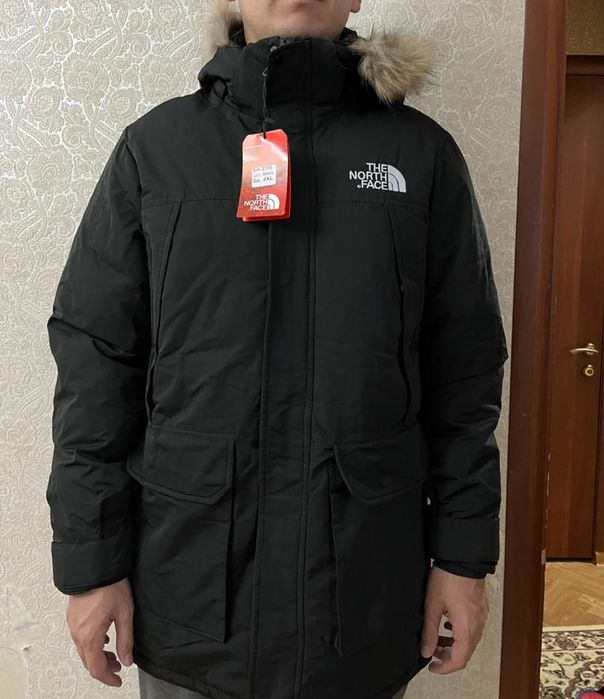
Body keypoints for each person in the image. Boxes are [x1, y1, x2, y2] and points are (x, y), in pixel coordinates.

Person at [45, 0, 509, 697]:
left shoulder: (420, 155)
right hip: (189, 599)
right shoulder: (156, 152)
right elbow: (95, 364)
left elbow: (465, 371)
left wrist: (462, 557)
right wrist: (92, 566)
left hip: (363, 600)